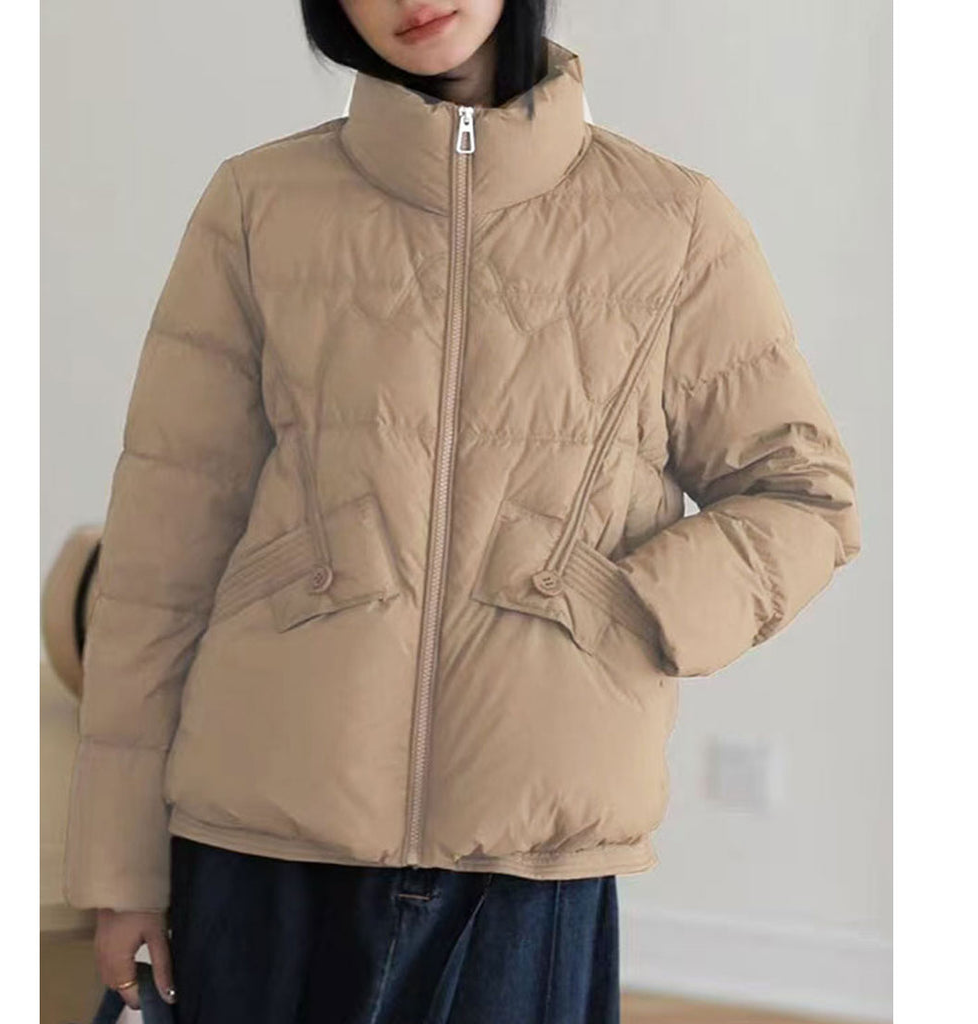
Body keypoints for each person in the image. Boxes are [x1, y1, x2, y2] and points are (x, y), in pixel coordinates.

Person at [61, 1, 863, 1021]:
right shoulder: (260, 205)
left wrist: (628, 608)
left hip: (529, 856)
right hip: (263, 834)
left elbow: (806, 494)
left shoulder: (675, 225)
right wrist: (123, 866)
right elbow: (159, 560)